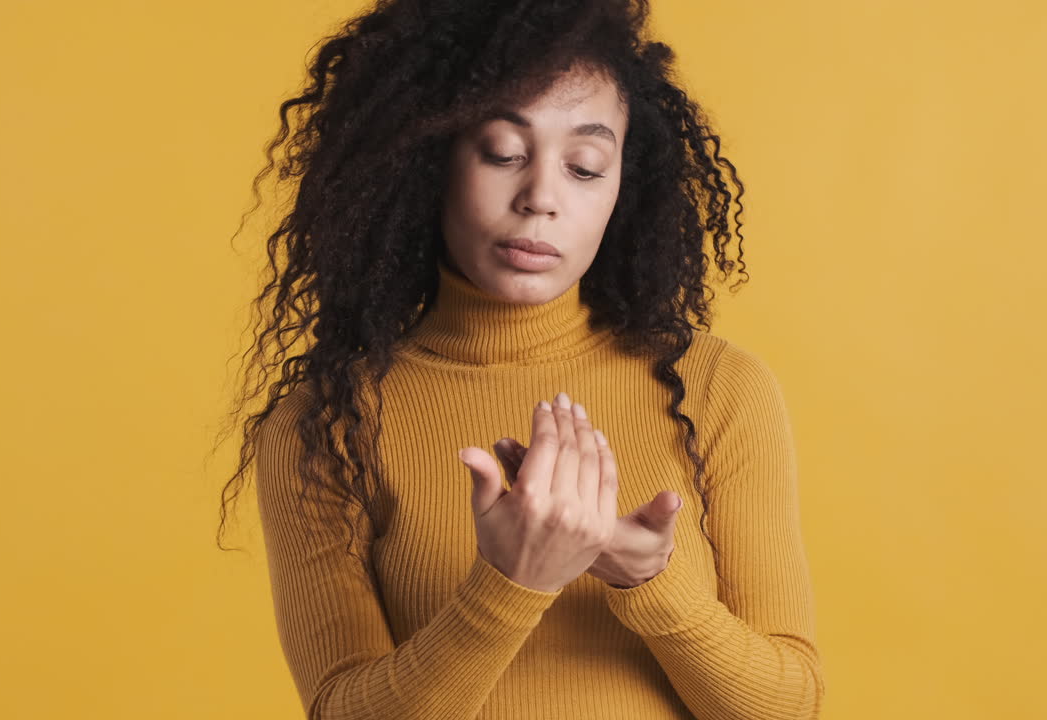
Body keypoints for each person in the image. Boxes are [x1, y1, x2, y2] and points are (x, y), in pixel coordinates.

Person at [216, 1, 825, 717]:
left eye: (585, 167)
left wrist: (650, 580)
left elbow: (789, 706)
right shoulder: (325, 424)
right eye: (504, 154)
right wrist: (510, 582)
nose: (541, 199)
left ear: (624, 187)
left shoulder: (717, 389)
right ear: (428, 161)